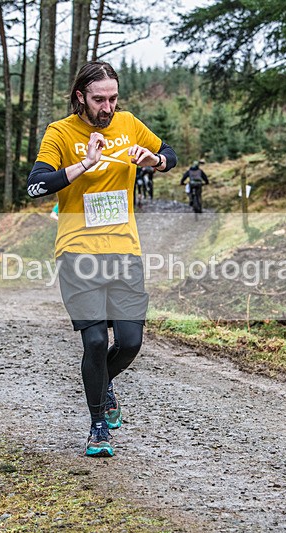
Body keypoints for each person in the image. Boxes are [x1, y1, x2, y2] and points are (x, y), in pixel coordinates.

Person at [26, 61, 177, 457]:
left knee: (129, 342)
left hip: (124, 250)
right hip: (77, 251)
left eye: (112, 98)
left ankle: (103, 383)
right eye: (99, 99)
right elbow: (36, 185)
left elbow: (170, 154)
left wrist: (155, 162)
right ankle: (98, 428)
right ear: (80, 97)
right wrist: (83, 165)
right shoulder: (60, 133)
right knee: (95, 341)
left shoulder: (128, 124)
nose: (107, 107)